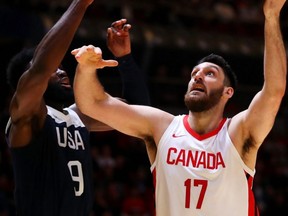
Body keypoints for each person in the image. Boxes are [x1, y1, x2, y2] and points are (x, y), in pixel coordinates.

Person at [72, 0, 287, 215]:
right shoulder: (162, 126)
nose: (198, 76)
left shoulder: (237, 133)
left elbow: (273, 91)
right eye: (194, 74)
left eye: (210, 73)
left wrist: (271, 16)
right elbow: (92, 104)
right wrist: (86, 69)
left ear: (227, 92)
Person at [4, 0, 150, 214]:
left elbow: (139, 114)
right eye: (55, 68)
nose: (62, 72)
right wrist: (80, 4)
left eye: (62, 67)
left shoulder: (80, 116)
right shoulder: (25, 114)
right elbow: (40, 68)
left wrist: (125, 58)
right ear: (24, 83)